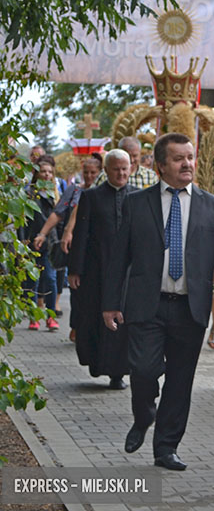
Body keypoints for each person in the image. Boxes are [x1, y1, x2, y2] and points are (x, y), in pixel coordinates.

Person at [102, 133, 214, 471]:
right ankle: (144, 412)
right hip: (146, 304)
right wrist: (109, 302)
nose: (187, 164)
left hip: (189, 308)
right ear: (161, 165)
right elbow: (119, 257)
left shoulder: (213, 205)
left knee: (180, 380)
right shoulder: (136, 203)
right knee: (144, 369)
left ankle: (165, 447)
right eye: (179, 159)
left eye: (190, 157)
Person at [68, 150, 134, 389]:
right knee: (97, 317)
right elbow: (81, 236)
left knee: (123, 321)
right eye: (116, 168)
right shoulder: (92, 197)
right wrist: (75, 269)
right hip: (98, 269)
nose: (121, 173)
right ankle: (99, 365)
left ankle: (118, 372)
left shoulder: (138, 197)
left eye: (125, 168)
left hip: (128, 272)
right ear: (106, 170)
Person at [33, 155, 102, 342]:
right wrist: (43, 233)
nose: (89, 177)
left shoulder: (103, 192)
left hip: (99, 249)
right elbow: (58, 213)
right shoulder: (74, 190)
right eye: (86, 172)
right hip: (75, 247)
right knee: (76, 286)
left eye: (93, 173)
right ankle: (76, 325)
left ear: (100, 172)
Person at [21, 155, 60, 330]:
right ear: (36, 174)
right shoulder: (29, 194)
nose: (46, 174)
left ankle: (50, 316)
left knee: (50, 279)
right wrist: (23, 241)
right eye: (43, 171)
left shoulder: (55, 195)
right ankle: (33, 317)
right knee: (32, 281)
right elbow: (23, 220)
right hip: (31, 242)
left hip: (50, 243)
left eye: (49, 172)